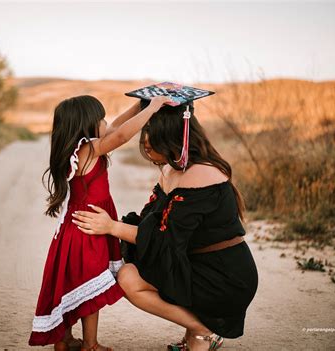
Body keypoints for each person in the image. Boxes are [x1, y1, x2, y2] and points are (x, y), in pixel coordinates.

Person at [72, 94, 259, 351]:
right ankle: (198, 328)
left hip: (223, 277)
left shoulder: (202, 173)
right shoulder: (172, 171)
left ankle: (202, 332)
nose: (146, 143)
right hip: (195, 265)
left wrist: (111, 227)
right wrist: (144, 104)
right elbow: (151, 224)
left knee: (131, 275)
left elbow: (164, 238)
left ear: (171, 136)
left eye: (152, 135)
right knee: (127, 275)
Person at [29, 94, 172, 351]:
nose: (106, 122)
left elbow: (116, 126)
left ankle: (64, 341)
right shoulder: (88, 149)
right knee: (90, 288)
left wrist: (138, 105)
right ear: (88, 124)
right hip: (89, 230)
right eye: (101, 118)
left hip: (75, 228)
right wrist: (152, 108)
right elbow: (120, 136)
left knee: (71, 285)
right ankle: (91, 345)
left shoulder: (77, 149)